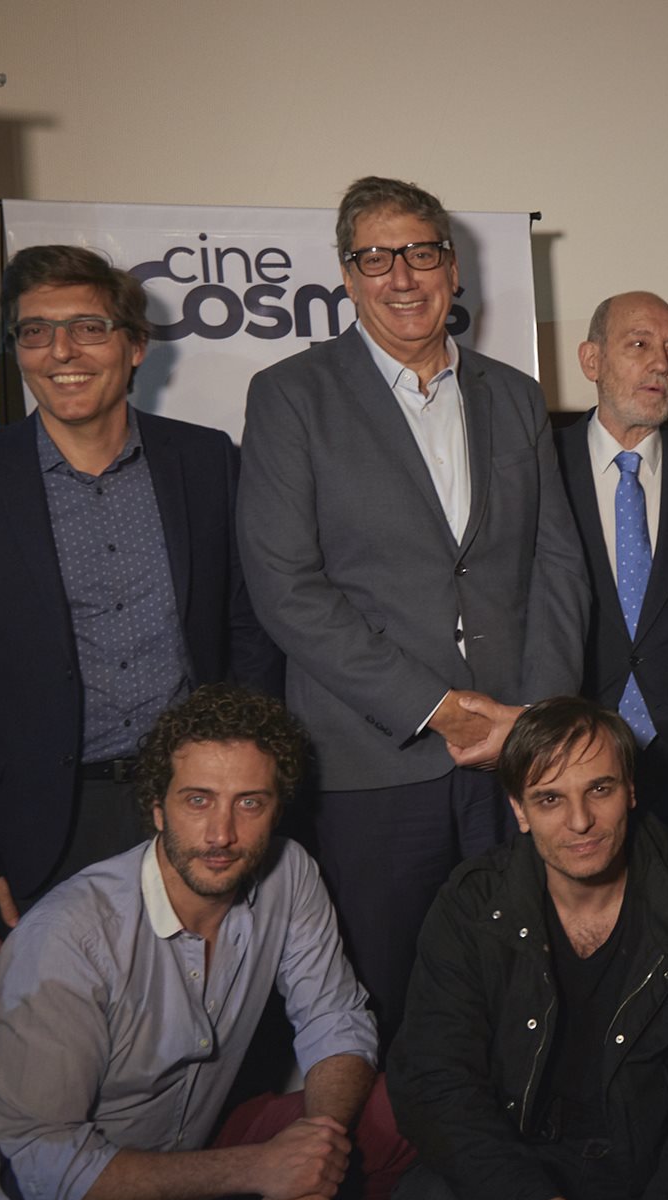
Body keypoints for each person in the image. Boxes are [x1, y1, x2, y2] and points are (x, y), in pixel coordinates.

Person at [238, 175, 587, 1039]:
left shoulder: (513, 395)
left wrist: (533, 721)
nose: (402, 276)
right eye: (375, 257)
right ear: (347, 276)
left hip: (513, 757)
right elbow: (286, 586)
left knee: (525, 988)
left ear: (453, 268)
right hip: (375, 764)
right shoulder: (291, 396)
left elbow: (555, 566)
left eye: (421, 253)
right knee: (390, 1001)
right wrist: (437, 708)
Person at [0, 244, 280, 957]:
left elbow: (247, 630)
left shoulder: (206, 461)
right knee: (55, 1024)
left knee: (214, 1011)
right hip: (36, 828)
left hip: (195, 808)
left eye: (88, 327)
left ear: (134, 347)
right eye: (35, 331)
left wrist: (247, 779)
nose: (61, 351)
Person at [0, 685, 410, 1200]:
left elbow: (335, 1019)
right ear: (157, 808)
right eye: (198, 800)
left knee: (397, 1109)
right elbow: (47, 1173)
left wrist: (308, 1170)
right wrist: (263, 1168)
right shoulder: (66, 939)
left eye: (250, 803)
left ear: (277, 809)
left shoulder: (289, 872)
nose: (221, 834)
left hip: (201, 1170)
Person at [385, 697, 668, 1200]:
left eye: (599, 790)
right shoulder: (472, 905)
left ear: (631, 791)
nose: (580, 821)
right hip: (518, 1163)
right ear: (519, 810)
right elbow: (434, 1081)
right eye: (550, 799)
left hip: (650, 1176)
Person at [556, 292, 668, 864]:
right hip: (573, 757)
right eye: (639, 344)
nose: (661, 364)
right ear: (591, 360)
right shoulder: (540, 464)